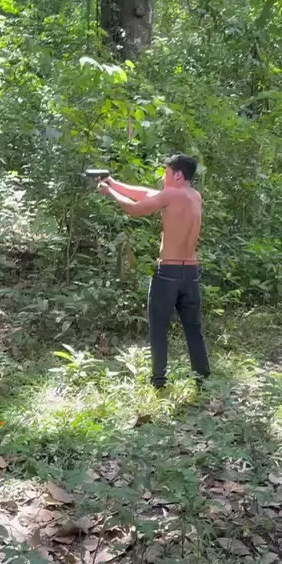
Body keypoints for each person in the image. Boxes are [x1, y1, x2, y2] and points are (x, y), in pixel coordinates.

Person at [97, 154, 210, 390]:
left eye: (166, 172)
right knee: (193, 329)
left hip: (168, 271)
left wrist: (110, 193)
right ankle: (203, 380)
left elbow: (134, 209)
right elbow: (147, 194)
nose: (163, 177)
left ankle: (159, 382)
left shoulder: (170, 195)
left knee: (159, 329)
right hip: (190, 271)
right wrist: (114, 183)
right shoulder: (193, 195)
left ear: (177, 174)